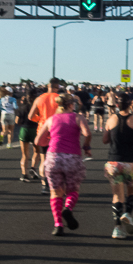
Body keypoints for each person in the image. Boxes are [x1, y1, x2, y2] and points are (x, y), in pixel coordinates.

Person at [34, 93, 92, 236]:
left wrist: (48, 142)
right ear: (71, 104)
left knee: (55, 192)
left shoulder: (51, 119)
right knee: (72, 190)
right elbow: (87, 133)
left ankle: (58, 224)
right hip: (72, 157)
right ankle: (68, 209)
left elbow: (37, 141)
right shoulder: (78, 117)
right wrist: (86, 147)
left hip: (53, 157)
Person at [103, 99, 133, 239]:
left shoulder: (111, 119)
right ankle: (128, 214)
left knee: (117, 195)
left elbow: (105, 140)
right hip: (131, 162)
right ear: (130, 105)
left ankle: (117, 228)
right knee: (132, 193)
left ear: (117, 105)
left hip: (114, 162)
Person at [28, 79, 63, 190]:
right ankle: (55, 182)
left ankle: (44, 185)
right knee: (57, 158)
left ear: (48, 86)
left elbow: (30, 116)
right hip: (56, 130)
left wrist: (41, 119)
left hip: (42, 129)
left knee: (44, 159)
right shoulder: (59, 98)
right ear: (57, 87)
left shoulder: (39, 98)